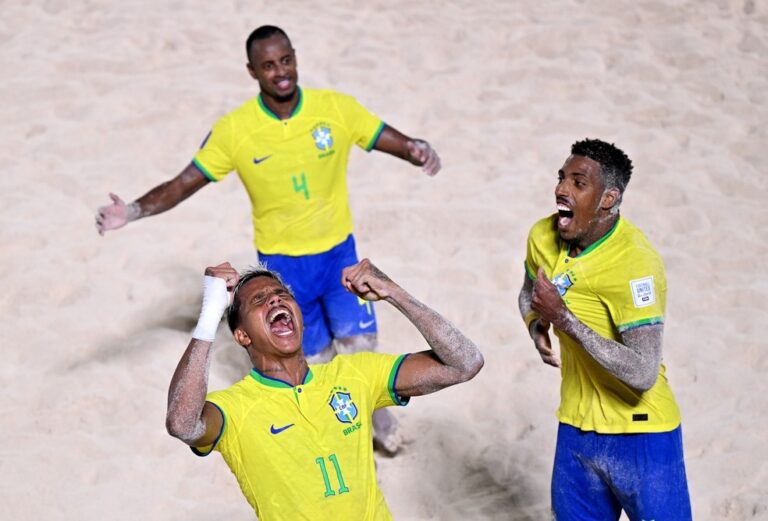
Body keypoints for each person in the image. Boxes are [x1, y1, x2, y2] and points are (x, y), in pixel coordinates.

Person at [96, 25, 440, 454]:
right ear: (252, 71)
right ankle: (343, 429)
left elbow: (392, 139)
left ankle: (377, 415)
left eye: (286, 60)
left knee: (360, 349)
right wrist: (131, 211)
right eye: (268, 65)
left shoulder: (335, 108)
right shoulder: (235, 130)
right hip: (284, 271)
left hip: (340, 259)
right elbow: (183, 184)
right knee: (310, 360)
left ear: (295, 57)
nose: (280, 72)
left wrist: (418, 149)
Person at [166, 257, 483, 520]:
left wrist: (394, 292)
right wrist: (210, 315)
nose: (276, 299)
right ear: (243, 336)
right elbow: (182, 423)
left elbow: (464, 363)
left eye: (282, 295)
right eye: (259, 300)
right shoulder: (234, 409)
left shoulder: (354, 373)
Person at [517, 138, 692, 520]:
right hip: (576, 432)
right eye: (562, 178)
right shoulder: (542, 236)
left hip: (644, 436)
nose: (561, 189)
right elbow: (528, 292)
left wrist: (564, 320)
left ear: (608, 198)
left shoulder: (636, 264)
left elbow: (644, 372)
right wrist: (536, 324)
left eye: (578, 183)